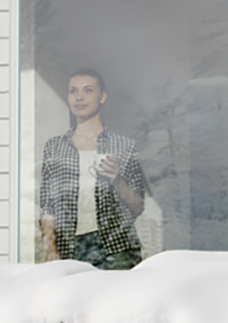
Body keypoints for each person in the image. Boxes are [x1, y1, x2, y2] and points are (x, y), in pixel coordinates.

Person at [39, 68, 147, 269]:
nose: (79, 96)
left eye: (88, 90)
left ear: (102, 96)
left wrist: (117, 180)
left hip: (118, 247)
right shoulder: (54, 147)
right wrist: (50, 249)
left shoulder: (124, 146)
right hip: (69, 247)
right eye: (73, 91)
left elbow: (137, 207)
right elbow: (47, 206)